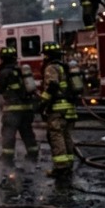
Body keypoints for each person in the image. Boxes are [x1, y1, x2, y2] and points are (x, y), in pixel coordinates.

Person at [0, 46, 39, 162]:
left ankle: (7, 157)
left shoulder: (4, 72)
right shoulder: (21, 70)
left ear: (2, 59)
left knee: (8, 133)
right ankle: (33, 153)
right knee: (27, 132)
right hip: (26, 109)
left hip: (13, 110)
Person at [38, 42, 77, 179]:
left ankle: (61, 168)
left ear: (47, 55)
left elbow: (52, 86)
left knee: (56, 136)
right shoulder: (63, 67)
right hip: (69, 108)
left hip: (58, 109)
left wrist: (42, 103)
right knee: (66, 135)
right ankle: (69, 164)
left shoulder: (51, 68)